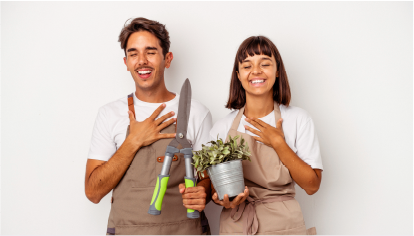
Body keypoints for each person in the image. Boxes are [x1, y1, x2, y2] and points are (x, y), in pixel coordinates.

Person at [84, 17, 212, 235]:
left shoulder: (196, 112)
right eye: (133, 54)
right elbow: (93, 192)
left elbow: (208, 179)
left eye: (150, 52)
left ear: (167, 59)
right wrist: (133, 141)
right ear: (126, 63)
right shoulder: (109, 114)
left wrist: (203, 192)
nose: (141, 60)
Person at [209, 36, 323, 235]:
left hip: (284, 225)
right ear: (238, 74)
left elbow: (312, 185)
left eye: (265, 63)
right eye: (247, 66)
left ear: (277, 71)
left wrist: (279, 143)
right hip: (237, 225)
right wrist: (219, 198)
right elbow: (215, 188)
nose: (256, 71)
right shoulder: (222, 127)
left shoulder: (298, 119)